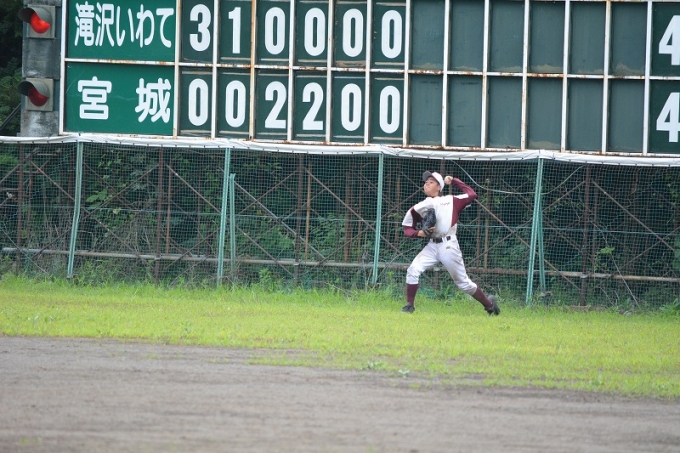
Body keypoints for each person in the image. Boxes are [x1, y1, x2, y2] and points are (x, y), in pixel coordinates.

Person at [400, 170, 500, 315]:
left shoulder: (450, 200)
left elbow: (472, 194)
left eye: (431, 182)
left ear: (439, 187)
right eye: (426, 182)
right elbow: (407, 228)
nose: (427, 184)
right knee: (413, 270)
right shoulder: (419, 206)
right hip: (432, 245)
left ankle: (490, 305)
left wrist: (454, 181)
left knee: (463, 283)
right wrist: (419, 233)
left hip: (448, 245)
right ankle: (409, 306)